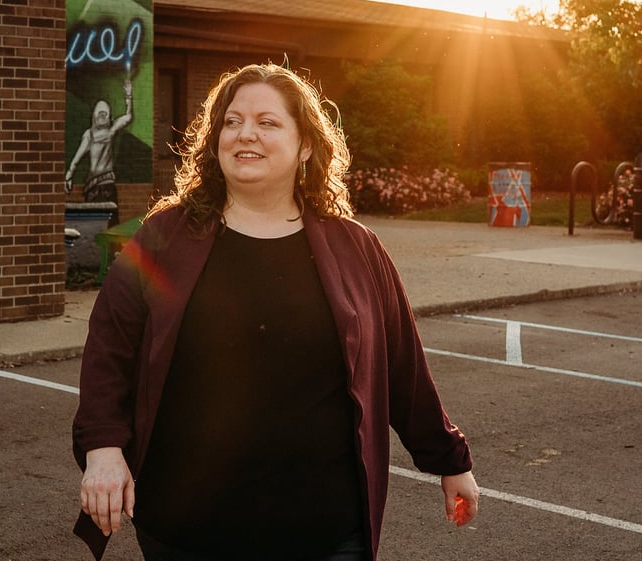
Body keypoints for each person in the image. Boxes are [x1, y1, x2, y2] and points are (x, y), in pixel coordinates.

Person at [72, 62, 480, 561]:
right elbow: (110, 350)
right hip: (188, 529)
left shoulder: (355, 249)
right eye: (232, 120)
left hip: (326, 531)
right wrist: (103, 448)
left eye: (268, 122)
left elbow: (403, 369)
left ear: (305, 144)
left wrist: (450, 460)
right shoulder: (164, 240)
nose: (247, 134)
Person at [65, 78, 133, 227]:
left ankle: (109, 249)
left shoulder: (109, 131)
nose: (102, 117)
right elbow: (76, 158)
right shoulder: (90, 135)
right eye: (100, 114)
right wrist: (69, 175)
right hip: (95, 185)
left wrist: (129, 96)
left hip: (104, 183)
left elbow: (128, 117)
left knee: (106, 224)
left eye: (104, 114)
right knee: (96, 223)